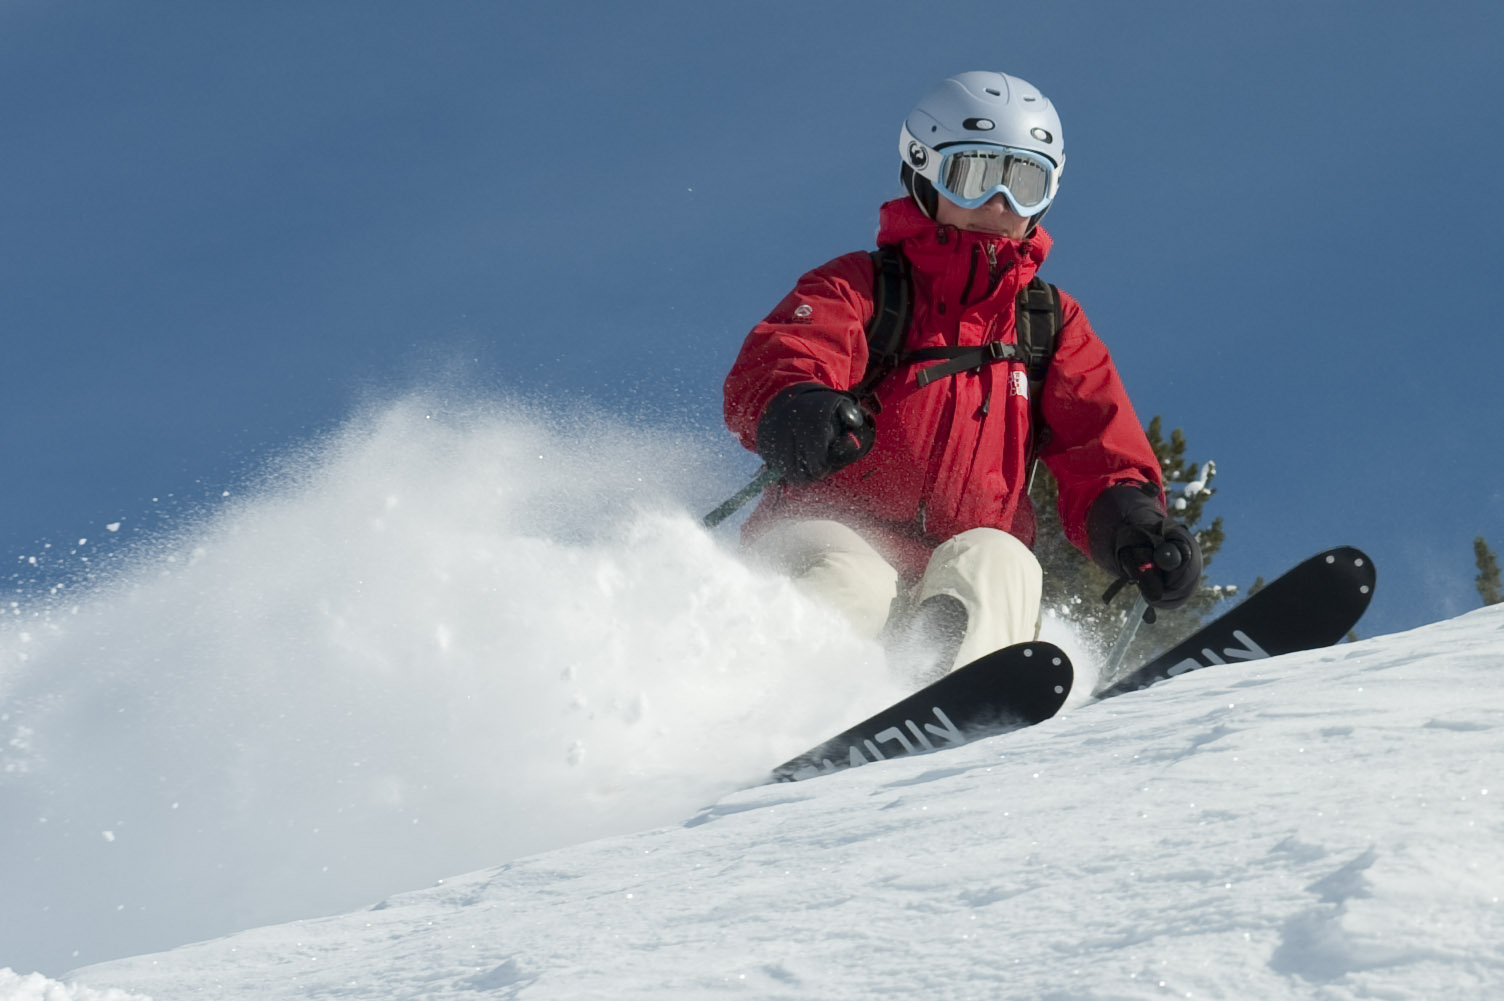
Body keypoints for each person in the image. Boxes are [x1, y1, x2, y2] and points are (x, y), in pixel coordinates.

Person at [723, 71, 1201, 680]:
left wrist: (1131, 521)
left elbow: (1098, 445)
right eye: (974, 177)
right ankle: (779, 710)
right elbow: (784, 356)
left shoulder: (1047, 323)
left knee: (1004, 563)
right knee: (855, 581)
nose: (1001, 204)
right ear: (924, 175)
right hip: (828, 532)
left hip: (957, 560)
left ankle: (954, 703)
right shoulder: (865, 286)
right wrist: (796, 406)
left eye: (1025, 183)